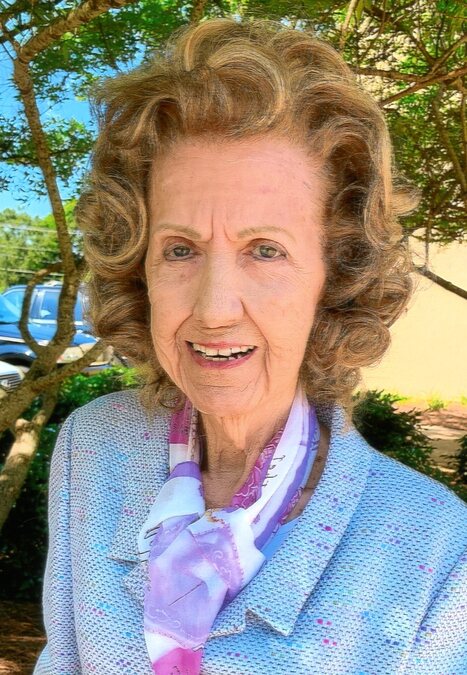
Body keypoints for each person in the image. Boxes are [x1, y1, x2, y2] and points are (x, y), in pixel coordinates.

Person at [33, 16, 466, 675]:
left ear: (334, 276)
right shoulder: (93, 449)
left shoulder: (436, 551)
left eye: (265, 250)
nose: (213, 309)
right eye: (180, 249)